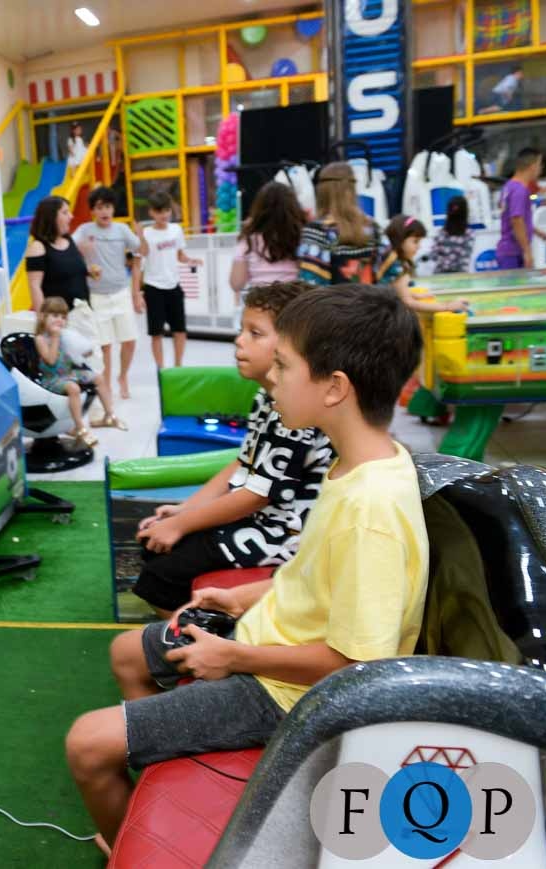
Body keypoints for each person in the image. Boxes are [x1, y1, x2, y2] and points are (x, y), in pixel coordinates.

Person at [65, 283, 428, 853]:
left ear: (334, 387)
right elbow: (315, 577)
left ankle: (137, 845)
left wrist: (232, 657)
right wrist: (241, 598)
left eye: (283, 365)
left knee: (87, 743)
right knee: (127, 652)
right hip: (266, 637)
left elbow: (357, 665)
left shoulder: (371, 509)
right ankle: (151, 782)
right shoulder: (353, 465)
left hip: (285, 692)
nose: (272, 378)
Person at [132, 281, 332, 617]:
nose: (239, 340)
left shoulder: (296, 410)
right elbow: (242, 463)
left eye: (255, 333)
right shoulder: (266, 396)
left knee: (160, 578)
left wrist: (183, 524)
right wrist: (185, 510)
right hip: (260, 519)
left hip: (284, 533)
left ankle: (204, 637)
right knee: (153, 548)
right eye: (242, 330)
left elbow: (256, 495)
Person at [73, 186, 142, 401]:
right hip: (97, 296)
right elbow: (69, 248)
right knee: (105, 346)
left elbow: (139, 249)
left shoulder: (121, 230)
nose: (105, 212)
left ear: (113, 209)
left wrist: (136, 293)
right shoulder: (85, 230)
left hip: (121, 292)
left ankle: (123, 376)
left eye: (108, 207)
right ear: (93, 211)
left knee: (129, 341)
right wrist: (82, 250)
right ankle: (107, 385)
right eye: (100, 207)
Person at [26, 195, 103, 371]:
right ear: (52, 216)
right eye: (65, 212)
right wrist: (44, 321)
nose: (71, 216)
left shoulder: (69, 241)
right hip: (62, 320)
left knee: (94, 365)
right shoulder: (38, 247)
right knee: (77, 368)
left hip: (83, 312)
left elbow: (69, 271)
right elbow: (35, 286)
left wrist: (89, 271)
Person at [33, 297, 123, 448]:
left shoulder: (65, 335)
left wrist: (84, 350)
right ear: (43, 316)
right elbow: (51, 361)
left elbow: (77, 355)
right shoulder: (41, 339)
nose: (60, 320)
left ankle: (109, 415)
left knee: (98, 378)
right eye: (55, 316)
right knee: (73, 388)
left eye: (63, 317)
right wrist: (55, 337)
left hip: (68, 373)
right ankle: (80, 427)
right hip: (51, 379)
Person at [135, 191, 202, 369]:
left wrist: (190, 260)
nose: (164, 215)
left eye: (167, 210)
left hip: (174, 286)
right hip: (153, 287)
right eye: (159, 211)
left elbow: (179, 255)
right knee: (156, 333)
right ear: (151, 212)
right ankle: (161, 369)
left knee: (180, 330)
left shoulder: (176, 230)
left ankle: (178, 366)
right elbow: (139, 261)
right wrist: (137, 293)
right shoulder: (147, 234)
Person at [229, 181, 305, 330]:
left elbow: (236, 283)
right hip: (293, 307)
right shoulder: (301, 236)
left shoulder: (248, 239)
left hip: (260, 307)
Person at [297, 162, 383, 285]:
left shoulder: (316, 231)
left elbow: (311, 283)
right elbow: (390, 276)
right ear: (353, 189)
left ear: (321, 191)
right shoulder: (373, 228)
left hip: (335, 298)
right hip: (371, 297)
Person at [380, 215, 468, 313]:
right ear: (400, 240)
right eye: (415, 241)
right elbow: (408, 303)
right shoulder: (397, 266)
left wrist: (415, 295)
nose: (419, 246)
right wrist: (447, 306)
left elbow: (397, 291)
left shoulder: (392, 258)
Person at [496, 147, 546, 270]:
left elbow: (514, 218)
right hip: (513, 252)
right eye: (540, 164)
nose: (541, 169)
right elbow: (516, 220)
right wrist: (527, 251)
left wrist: (536, 231)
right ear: (533, 166)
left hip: (509, 251)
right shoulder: (519, 190)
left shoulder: (509, 186)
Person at [431, 196, 475, 274]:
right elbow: (465, 257)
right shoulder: (469, 233)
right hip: (459, 274)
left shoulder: (441, 233)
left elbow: (434, 255)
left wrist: (444, 260)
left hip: (441, 274)